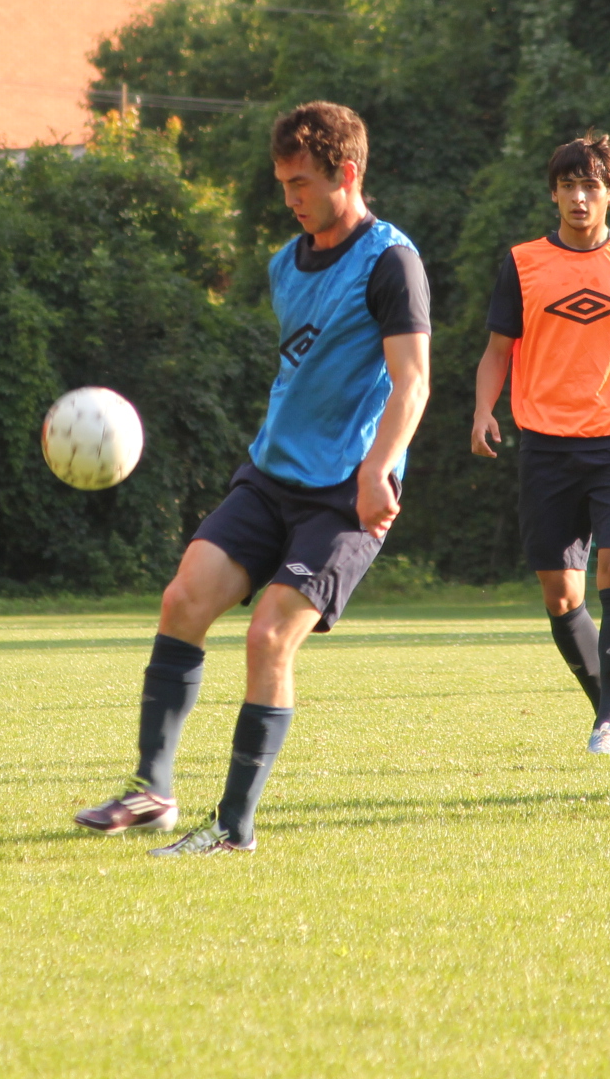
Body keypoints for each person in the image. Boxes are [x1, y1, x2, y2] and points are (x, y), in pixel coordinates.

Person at [73, 101, 431, 856]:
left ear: (347, 174)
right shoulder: (284, 265)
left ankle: (233, 828)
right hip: (270, 477)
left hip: (344, 495)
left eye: (302, 183)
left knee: (269, 636)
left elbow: (413, 381)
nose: (291, 197)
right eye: (283, 183)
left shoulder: (390, 262)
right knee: (182, 600)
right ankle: (152, 791)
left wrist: (377, 469)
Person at [468, 131, 610, 754]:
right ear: (554, 194)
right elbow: (497, 351)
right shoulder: (523, 263)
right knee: (560, 593)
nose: (579, 197)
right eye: (567, 185)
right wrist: (483, 409)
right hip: (545, 444)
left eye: (590, 185)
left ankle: (608, 721)